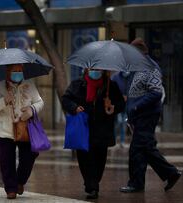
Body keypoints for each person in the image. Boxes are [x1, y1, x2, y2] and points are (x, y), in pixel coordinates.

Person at [120, 38, 181, 193]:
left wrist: (137, 106)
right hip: (139, 115)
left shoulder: (150, 67)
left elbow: (156, 92)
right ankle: (165, 175)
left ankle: (142, 181)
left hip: (147, 115)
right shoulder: (136, 68)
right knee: (144, 149)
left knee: (138, 149)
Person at [61, 69, 125, 199]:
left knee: (100, 160)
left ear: (103, 70)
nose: (95, 71)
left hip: (103, 129)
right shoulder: (78, 84)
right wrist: (74, 108)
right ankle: (92, 186)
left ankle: (93, 183)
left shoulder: (110, 86)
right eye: (92, 68)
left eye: (98, 69)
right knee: (85, 159)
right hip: (83, 128)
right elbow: (66, 99)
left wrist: (112, 106)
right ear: (87, 69)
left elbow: (121, 104)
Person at [0, 64, 44, 199]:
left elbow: (40, 102)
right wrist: (4, 101)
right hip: (5, 130)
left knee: (29, 156)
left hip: (25, 129)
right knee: (6, 161)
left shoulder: (29, 84)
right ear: (8, 72)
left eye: (20, 71)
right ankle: (11, 188)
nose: (18, 73)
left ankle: (20, 181)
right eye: (15, 71)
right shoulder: (0, 86)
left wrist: (31, 110)